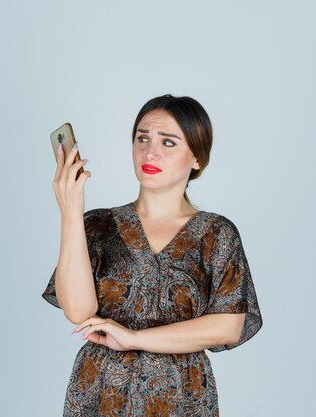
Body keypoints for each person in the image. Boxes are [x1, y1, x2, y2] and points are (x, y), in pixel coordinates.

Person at [42, 94, 263, 416]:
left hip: (181, 392)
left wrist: (133, 338)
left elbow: (228, 327)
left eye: (169, 142)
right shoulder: (97, 225)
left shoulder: (216, 233)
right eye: (142, 138)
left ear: (197, 158)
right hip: (102, 388)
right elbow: (78, 311)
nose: (150, 151)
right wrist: (70, 211)